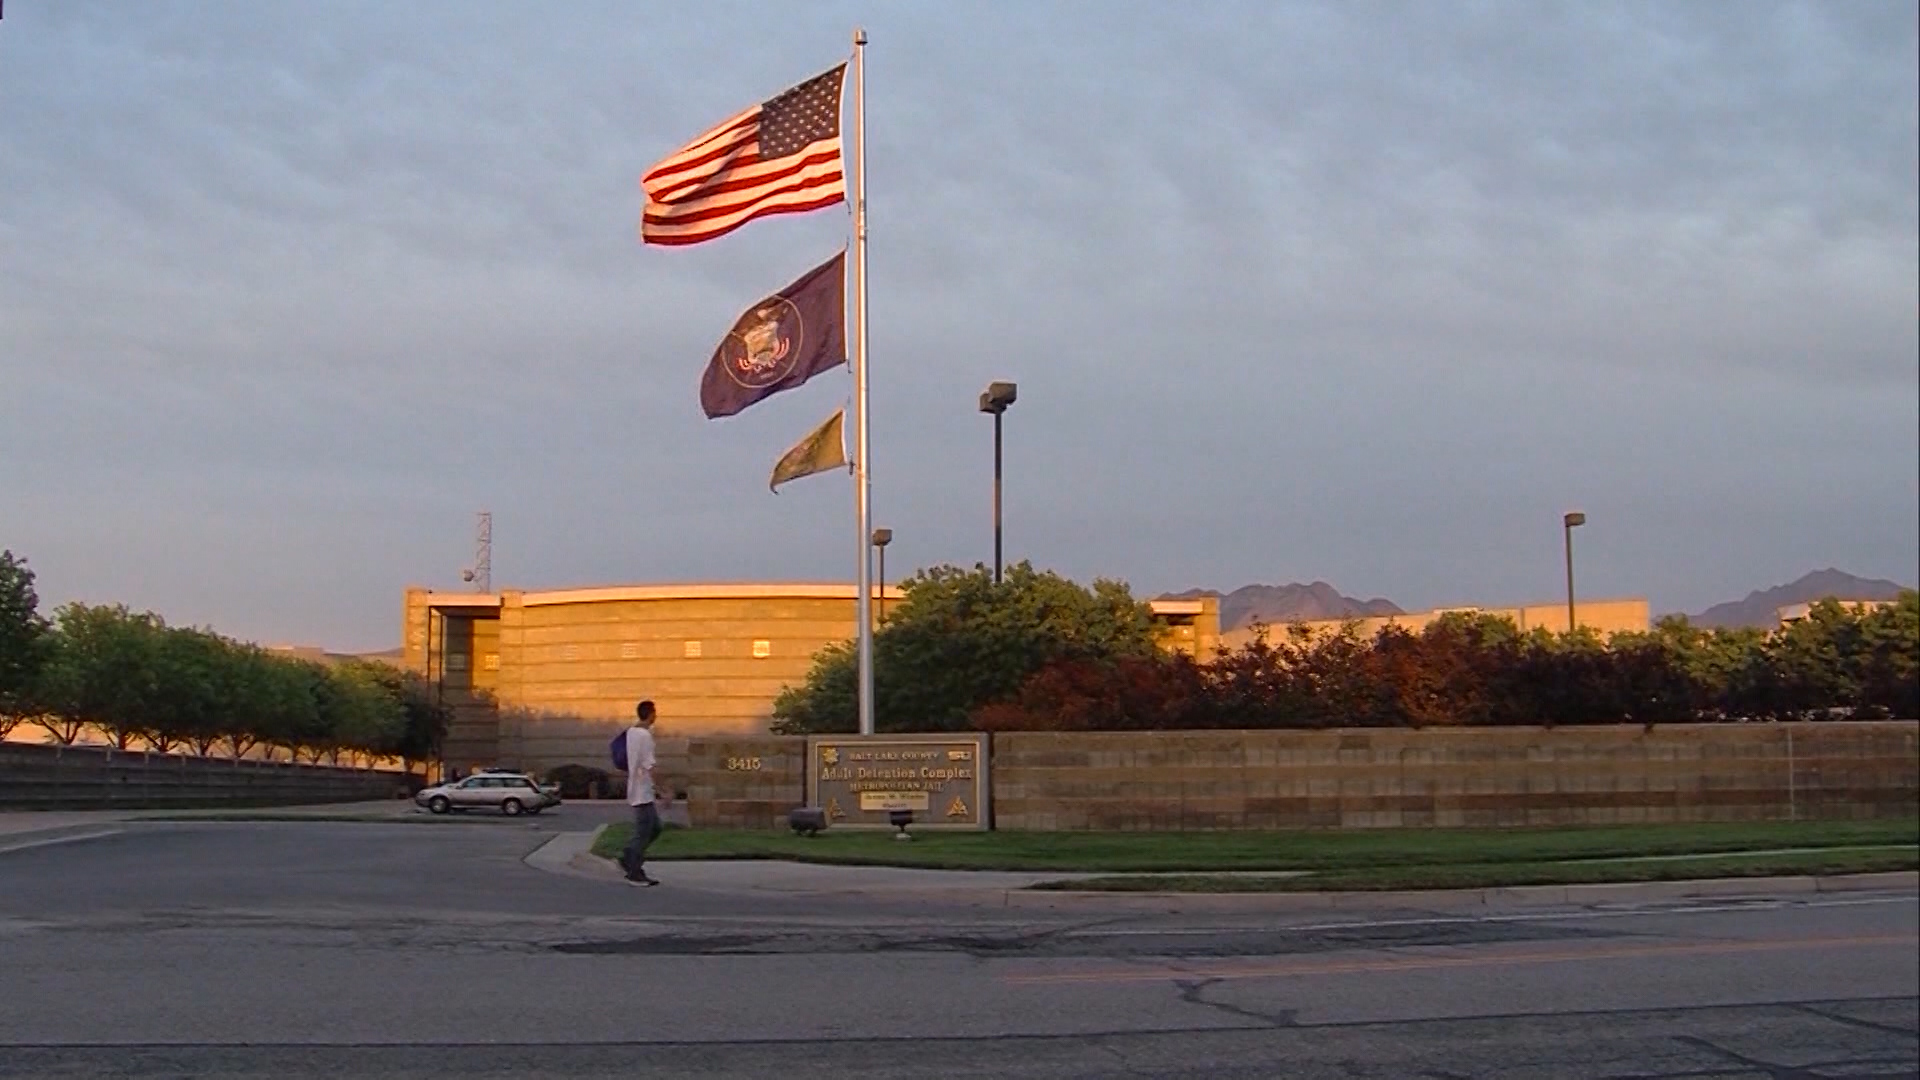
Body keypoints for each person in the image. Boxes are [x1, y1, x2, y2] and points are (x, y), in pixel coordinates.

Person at [619, 700, 662, 887]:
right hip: (643, 791)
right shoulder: (644, 736)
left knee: (654, 827)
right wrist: (664, 790)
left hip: (637, 789)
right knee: (644, 832)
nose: (656, 716)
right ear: (650, 714)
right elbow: (650, 765)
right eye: (655, 713)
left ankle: (629, 856)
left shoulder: (631, 733)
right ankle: (634, 871)